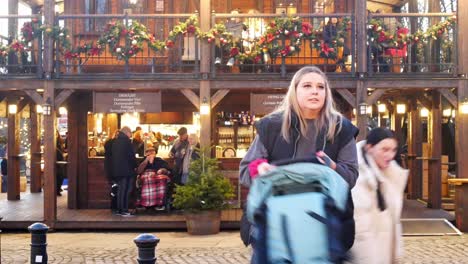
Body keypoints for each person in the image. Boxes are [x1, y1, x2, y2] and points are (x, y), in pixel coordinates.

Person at [239, 66, 359, 252]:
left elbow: (350, 177)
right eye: (307, 86)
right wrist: (262, 170)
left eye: (321, 87)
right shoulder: (272, 126)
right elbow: (246, 170)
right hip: (277, 226)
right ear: (294, 91)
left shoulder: (341, 128)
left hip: (323, 227)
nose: (314, 91)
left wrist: (333, 167)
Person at [349, 128, 408, 264]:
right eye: (385, 150)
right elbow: (361, 232)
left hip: (384, 252)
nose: (390, 155)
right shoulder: (359, 179)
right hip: (366, 255)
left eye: (393, 150)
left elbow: (394, 221)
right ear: (370, 148)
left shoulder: (392, 174)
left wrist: (396, 253)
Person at [111, 126, 137, 216]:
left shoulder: (115, 141)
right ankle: (124, 210)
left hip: (117, 170)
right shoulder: (127, 142)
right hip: (127, 170)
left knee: (120, 190)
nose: (131, 135)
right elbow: (131, 157)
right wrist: (135, 166)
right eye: (130, 133)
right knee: (126, 190)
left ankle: (119, 210)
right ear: (127, 132)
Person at [104, 130, 119, 214]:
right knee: (116, 190)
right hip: (115, 170)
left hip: (110, 170)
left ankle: (113, 207)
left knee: (114, 189)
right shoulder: (116, 144)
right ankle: (115, 207)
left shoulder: (108, 143)